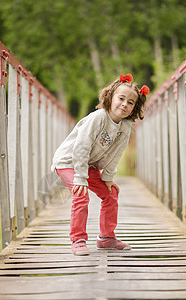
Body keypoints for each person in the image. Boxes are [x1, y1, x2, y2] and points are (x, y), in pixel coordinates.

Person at [51, 73, 149, 255]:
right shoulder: (98, 118)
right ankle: (78, 239)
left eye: (130, 102)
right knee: (81, 193)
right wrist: (80, 177)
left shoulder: (126, 127)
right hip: (68, 161)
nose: (124, 104)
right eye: (121, 98)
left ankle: (106, 238)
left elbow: (116, 153)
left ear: (134, 108)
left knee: (111, 193)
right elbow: (81, 146)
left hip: (88, 165)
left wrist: (108, 177)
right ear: (110, 97)